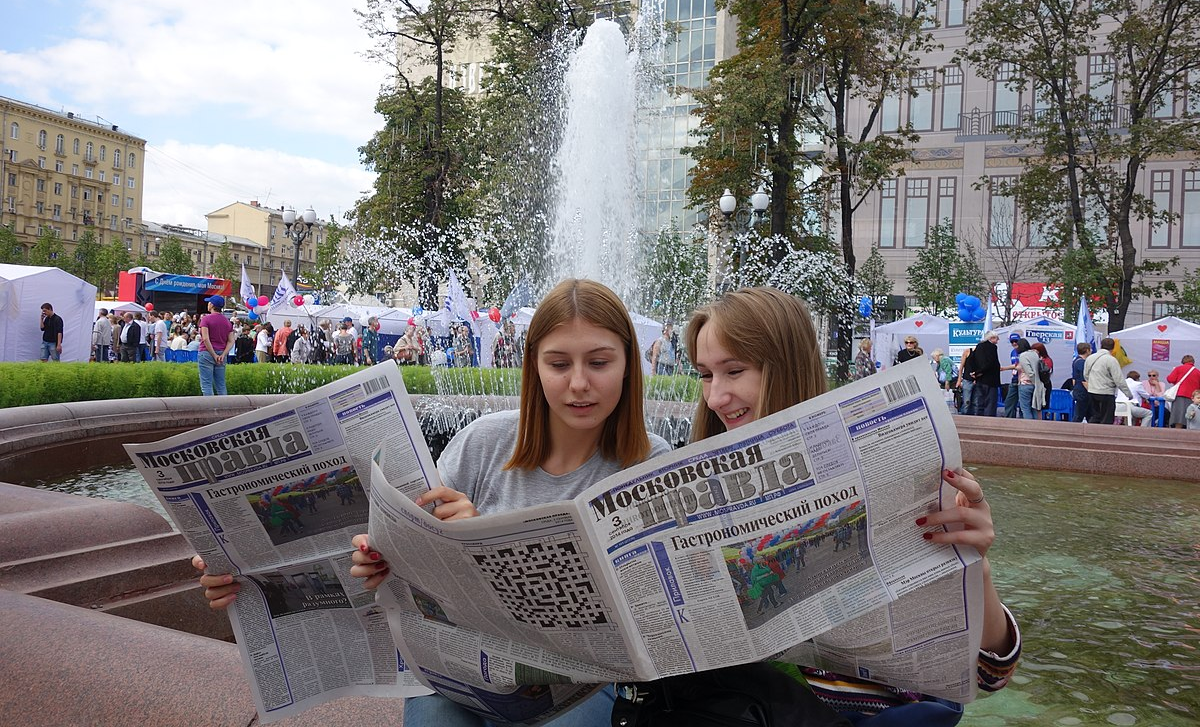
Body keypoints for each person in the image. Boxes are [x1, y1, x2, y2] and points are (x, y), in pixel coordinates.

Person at [195, 279, 673, 727]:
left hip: (580, 685)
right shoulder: (483, 443)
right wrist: (244, 573)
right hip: (461, 676)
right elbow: (392, 555)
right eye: (559, 363)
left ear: (629, 363)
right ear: (534, 366)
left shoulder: (652, 462)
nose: (578, 384)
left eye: (599, 362)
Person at [686, 287, 1020, 723]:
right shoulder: (692, 488)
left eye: (734, 371)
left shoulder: (894, 473)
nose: (715, 397)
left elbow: (990, 675)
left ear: (786, 368)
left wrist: (978, 568)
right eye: (705, 375)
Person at [1083, 337, 1133, 426]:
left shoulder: (1090, 358)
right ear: (1113, 348)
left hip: (1092, 391)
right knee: (1107, 419)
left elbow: (1086, 375)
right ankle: (1104, 437)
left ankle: (1089, 435)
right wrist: (1128, 394)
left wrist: (1092, 384)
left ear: (1101, 346)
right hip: (1106, 392)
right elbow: (1119, 379)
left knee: (1095, 417)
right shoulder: (1111, 360)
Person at [198, 294, 234, 396]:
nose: (207, 304)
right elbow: (231, 340)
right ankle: (224, 408)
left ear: (212, 305)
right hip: (222, 354)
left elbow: (205, 338)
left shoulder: (206, 319)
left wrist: (214, 354)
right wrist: (223, 354)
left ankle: (210, 409)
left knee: (206, 385)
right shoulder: (227, 322)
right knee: (221, 385)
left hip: (206, 353)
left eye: (209, 302)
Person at [968, 331, 1002, 416]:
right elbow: (991, 363)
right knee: (990, 403)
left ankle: (979, 419)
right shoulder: (992, 347)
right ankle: (989, 422)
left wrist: (975, 373)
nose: (998, 340)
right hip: (991, 379)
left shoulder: (979, 346)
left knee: (980, 402)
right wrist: (980, 371)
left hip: (980, 379)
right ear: (992, 338)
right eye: (997, 338)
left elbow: (972, 359)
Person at [1165, 355, 1200, 429]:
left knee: (1179, 416)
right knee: (1191, 415)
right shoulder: (1197, 372)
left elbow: (1170, 379)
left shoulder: (1178, 369)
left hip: (1180, 395)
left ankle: (1177, 434)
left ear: (1183, 361)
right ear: (1193, 362)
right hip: (1193, 397)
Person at [1014, 339, 1038, 419]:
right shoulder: (1034, 354)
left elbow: (1029, 371)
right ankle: (1036, 426)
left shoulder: (1023, 356)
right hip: (1035, 385)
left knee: (1025, 409)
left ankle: (1029, 428)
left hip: (1025, 383)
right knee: (1034, 408)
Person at [1002, 333, 1022, 418]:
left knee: (1023, 403)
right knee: (1009, 401)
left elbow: (1018, 365)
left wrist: (1004, 368)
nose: (1014, 343)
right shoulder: (1013, 352)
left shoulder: (1023, 352)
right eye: (1012, 342)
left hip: (1023, 380)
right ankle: (1010, 419)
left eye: (1016, 341)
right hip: (1014, 379)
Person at [1071, 343, 1092, 422]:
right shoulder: (1082, 363)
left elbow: (1074, 378)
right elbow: (1084, 380)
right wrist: (1090, 390)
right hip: (1083, 392)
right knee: (1079, 414)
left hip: (1078, 390)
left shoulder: (1076, 360)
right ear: (1087, 350)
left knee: (1087, 413)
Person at [956, 346, 975, 415]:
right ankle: (964, 416)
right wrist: (959, 380)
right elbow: (961, 367)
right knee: (967, 402)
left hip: (977, 380)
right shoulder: (967, 351)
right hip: (967, 379)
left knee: (975, 403)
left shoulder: (982, 354)